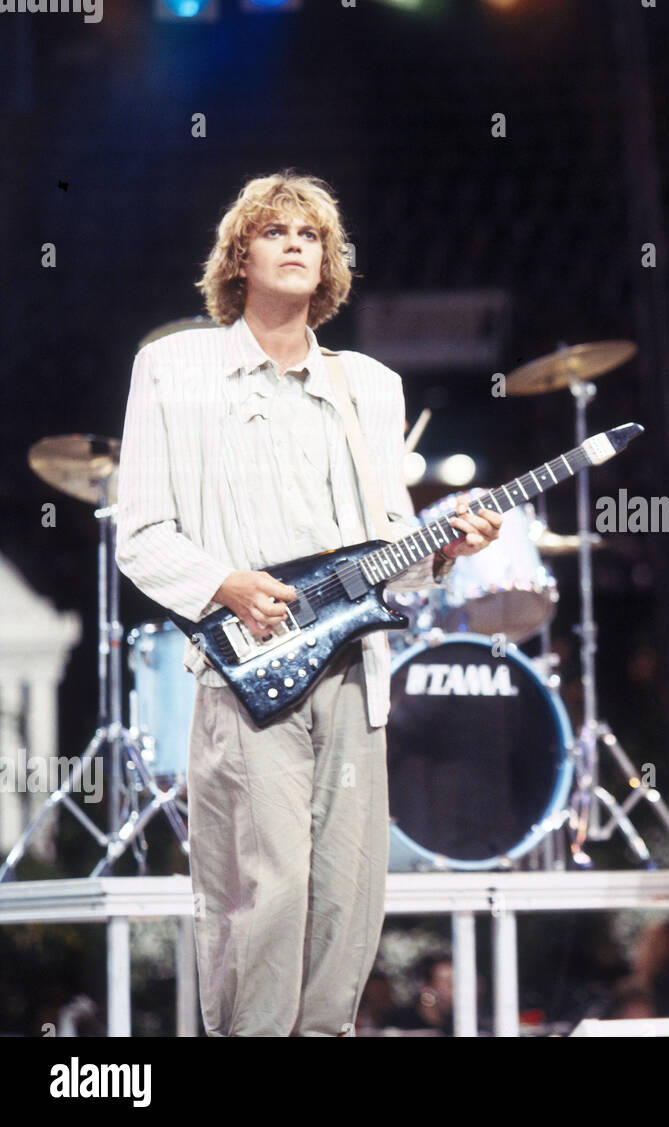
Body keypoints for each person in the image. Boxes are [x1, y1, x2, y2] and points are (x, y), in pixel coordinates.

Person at [116, 171, 503, 1036]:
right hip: (248, 671)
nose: (297, 243)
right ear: (239, 255)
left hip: (354, 671)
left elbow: (389, 553)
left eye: (313, 235)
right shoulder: (174, 369)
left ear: (330, 264)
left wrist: (441, 548)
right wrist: (225, 583)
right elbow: (140, 533)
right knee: (268, 884)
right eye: (275, 230)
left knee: (348, 892)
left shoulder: (370, 384)